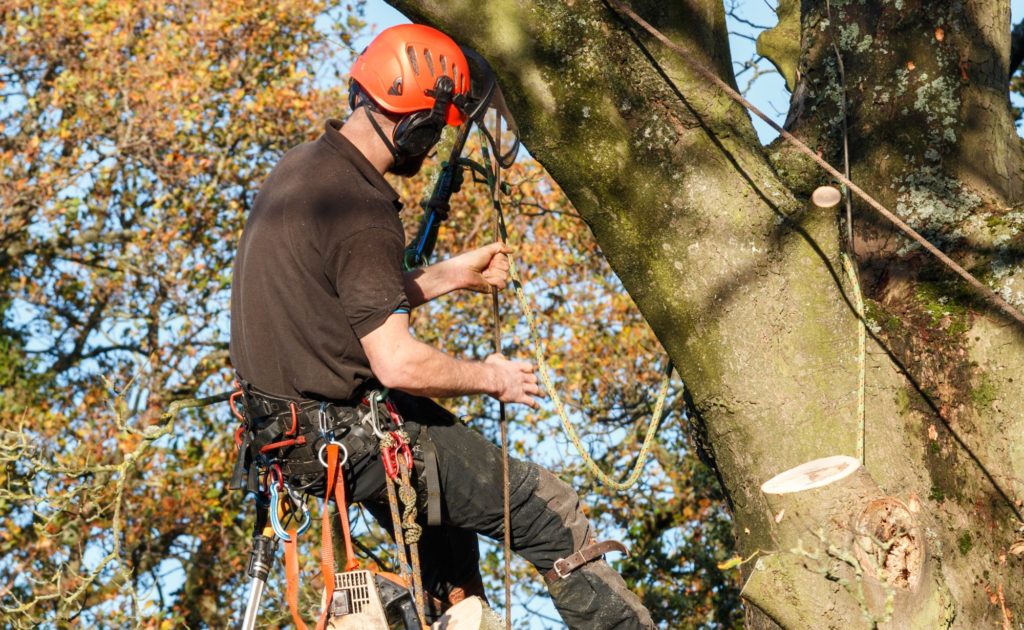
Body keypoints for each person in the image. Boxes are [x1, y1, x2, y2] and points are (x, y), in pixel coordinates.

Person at [229, 23, 654, 629]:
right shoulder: (362, 211)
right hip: (347, 438)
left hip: (291, 434)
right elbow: (397, 363)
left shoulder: (303, 171)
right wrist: (492, 377)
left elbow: (345, 300)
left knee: (452, 528)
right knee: (543, 509)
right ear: (416, 125)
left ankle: (444, 611)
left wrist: (450, 274)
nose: (430, 147)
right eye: (435, 130)